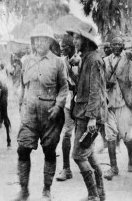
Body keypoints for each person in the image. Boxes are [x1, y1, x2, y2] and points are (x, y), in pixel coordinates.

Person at [13, 23, 68, 201]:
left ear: (50, 42)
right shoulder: (26, 61)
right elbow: (22, 86)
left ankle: (46, 190)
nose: (39, 43)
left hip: (50, 115)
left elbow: (64, 88)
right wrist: (21, 105)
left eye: (43, 39)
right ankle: (24, 190)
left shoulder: (58, 63)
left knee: (49, 151)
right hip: (29, 113)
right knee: (22, 149)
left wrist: (58, 106)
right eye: (36, 40)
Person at [67, 24, 107, 201]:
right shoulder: (87, 59)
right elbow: (81, 87)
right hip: (84, 112)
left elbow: (95, 91)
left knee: (78, 155)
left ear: (86, 40)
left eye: (77, 38)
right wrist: (74, 68)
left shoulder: (94, 60)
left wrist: (91, 118)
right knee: (88, 154)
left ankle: (93, 195)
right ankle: (101, 194)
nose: (74, 41)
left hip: (89, 115)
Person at [103, 36, 132, 181]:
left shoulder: (128, 59)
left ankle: (131, 154)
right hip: (109, 102)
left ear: (122, 46)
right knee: (110, 135)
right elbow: (101, 78)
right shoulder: (105, 61)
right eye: (114, 44)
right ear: (110, 46)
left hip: (123, 101)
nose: (116, 47)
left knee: (125, 134)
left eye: (119, 44)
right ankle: (113, 167)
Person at [56, 34, 77, 182]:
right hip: (68, 100)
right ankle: (66, 168)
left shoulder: (80, 60)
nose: (63, 49)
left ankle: (89, 166)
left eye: (66, 47)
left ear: (72, 48)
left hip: (81, 100)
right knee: (67, 134)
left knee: (84, 136)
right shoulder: (61, 62)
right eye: (62, 47)